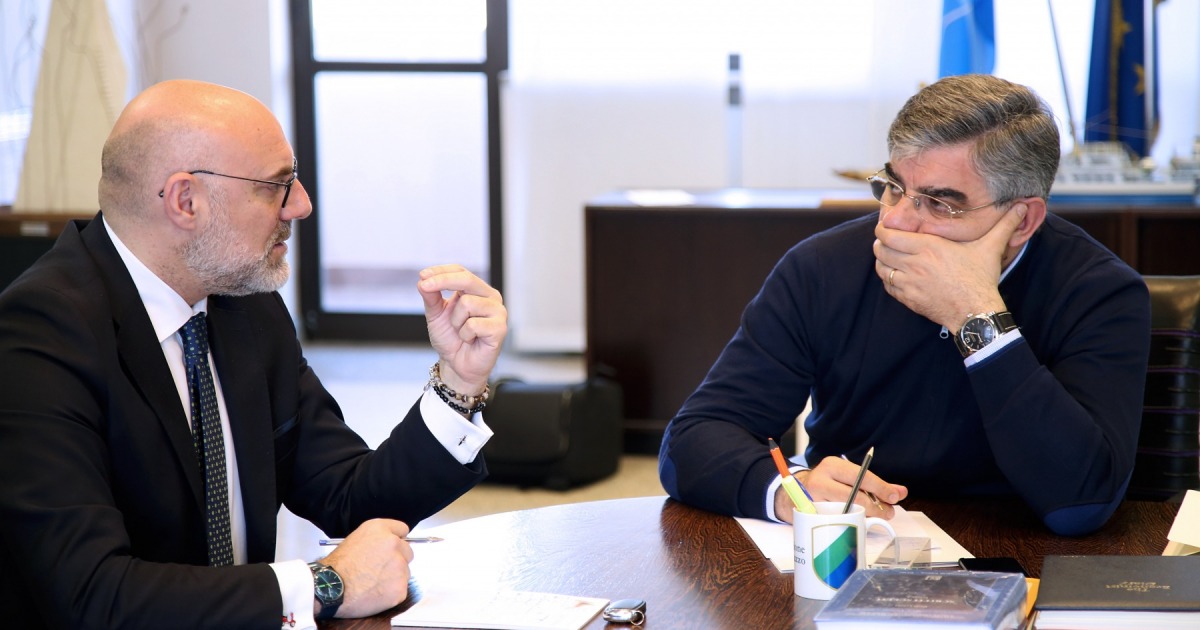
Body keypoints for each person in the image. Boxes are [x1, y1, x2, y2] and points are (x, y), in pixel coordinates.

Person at [0, 80, 507, 629]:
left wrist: (457, 384)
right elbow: (92, 596)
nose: (301, 204)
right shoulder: (38, 336)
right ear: (186, 201)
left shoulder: (244, 305)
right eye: (276, 186)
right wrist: (324, 584)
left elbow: (348, 496)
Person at [658, 74, 1150, 537]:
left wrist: (975, 315)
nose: (894, 223)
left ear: (1022, 221)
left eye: (940, 203)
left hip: (1025, 555)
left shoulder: (1100, 292)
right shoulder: (823, 267)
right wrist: (790, 493)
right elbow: (690, 443)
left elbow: (1080, 504)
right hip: (858, 547)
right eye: (894, 187)